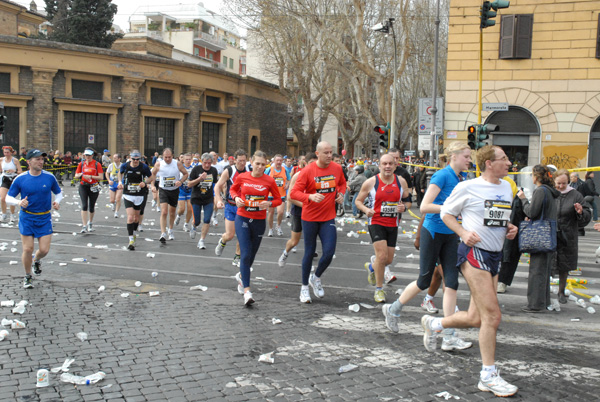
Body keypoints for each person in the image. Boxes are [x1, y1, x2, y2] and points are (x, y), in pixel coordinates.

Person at [429, 145, 518, 397]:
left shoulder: (506, 187)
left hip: (495, 255)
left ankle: (436, 323)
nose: (509, 163)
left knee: (475, 318)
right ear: (489, 163)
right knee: (492, 317)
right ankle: (488, 375)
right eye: (504, 159)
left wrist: (510, 227)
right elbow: (446, 212)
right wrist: (463, 232)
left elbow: (495, 217)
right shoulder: (467, 187)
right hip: (473, 254)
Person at [382, 142, 472, 351]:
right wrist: (451, 209)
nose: (469, 160)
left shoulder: (462, 178)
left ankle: (448, 335)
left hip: (451, 233)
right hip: (433, 232)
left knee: (452, 283)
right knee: (424, 280)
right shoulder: (442, 176)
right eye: (466, 157)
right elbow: (425, 206)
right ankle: (393, 309)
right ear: (454, 157)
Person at [290, 141, 346, 303]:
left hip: (328, 216)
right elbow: (294, 193)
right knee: (309, 252)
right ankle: (304, 288)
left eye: (331, 152)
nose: (329, 156)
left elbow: (342, 183)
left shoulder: (336, 168)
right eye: (326, 153)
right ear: (317, 154)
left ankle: (316, 277)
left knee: (329, 252)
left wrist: (341, 194)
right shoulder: (308, 171)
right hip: (310, 218)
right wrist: (310, 196)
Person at [354, 153, 410, 303]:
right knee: (382, 256)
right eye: (384, 164)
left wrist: (403, 207)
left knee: (388, 260)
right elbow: (358, 201)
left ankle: (372, 267)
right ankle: (379, 290)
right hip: (376, 222)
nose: (387, 166)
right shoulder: (371, 182)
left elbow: (408, 202)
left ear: (395, 166)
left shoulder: (401, 182)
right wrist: (366, 210)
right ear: (379, 166)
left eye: (390, 164)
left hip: (393, 223)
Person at [229, 150, 282, 306]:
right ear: (251, 163)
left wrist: (270, 203)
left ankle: (241, 276)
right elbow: (232, 190)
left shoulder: (269, 180)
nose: (259, 167)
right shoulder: (242, 177)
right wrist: (236, 197)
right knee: (245, 253)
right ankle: (247, 291)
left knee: (251, 255)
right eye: (257, 164)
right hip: (243, 217)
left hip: (259, 221)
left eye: (262, 164)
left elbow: (278, 199)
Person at [6, 149, 62, 289]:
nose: (41, 162)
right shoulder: (21, 178)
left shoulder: (49, 177)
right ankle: (27, 275)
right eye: (37, 159)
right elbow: (8, 197)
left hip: (44, 217)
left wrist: (57, 201)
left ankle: (36, 260)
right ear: (28, 161)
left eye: (42, 159)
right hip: (27, 217)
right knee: (28, 248)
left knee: (44, 250)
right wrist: (18, 202)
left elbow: (59, 192)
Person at [517, 164, 560, 312]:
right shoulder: (549, 192)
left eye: (532, 175)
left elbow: (532, 212)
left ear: (536, 177)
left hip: (540, 234)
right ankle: (543, 302)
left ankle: (535, 304)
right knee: (544, 270)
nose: (531, 177)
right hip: (549, 233)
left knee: (537, 271)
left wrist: (523, 199)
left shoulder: (540, 191)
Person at [553, 169, 591, 303]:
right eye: (558, 183)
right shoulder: (550, 193)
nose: (561, 186)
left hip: (567, 234)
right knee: (548, 263)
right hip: (551, 233)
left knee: (564, 265)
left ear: (568, 181)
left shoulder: (575, 195)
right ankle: (544, 291)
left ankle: (561, 292)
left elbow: (586, 215)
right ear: (554, 181)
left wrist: (581, 212)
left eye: (564, 183)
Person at [278, 152, 317, 267]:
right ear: (305, 163)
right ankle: (285, 253)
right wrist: (305, 204)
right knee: (294, 241)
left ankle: (309, 264)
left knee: (312, 238)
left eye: (315, 163)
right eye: (311, 163)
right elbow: (290, 197)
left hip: (313, 212)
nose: (313, 166)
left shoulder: (319, 177)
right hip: (299, 211)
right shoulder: (297, 175)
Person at [214, 149, 250, 267]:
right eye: (239, 161)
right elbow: (217, 187)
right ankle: (222, 241)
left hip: (243, 207)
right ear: (235, 160)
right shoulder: (229, 170)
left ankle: (237, 257)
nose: (242, 163)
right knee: (229, 235)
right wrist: (219, 200)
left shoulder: (250, 170)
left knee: (242, 234)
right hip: (230, 205)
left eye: (244, 161)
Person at [149, 148, 189, 243]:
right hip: (163, 189)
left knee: (172, 212)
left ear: (172, 156)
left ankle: (170, 229)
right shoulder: (159, 164)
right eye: (165, 157)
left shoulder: (177, 163)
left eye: (169, 157)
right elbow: (153, 175)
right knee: (164, 212)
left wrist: (181, 181)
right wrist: (152, 185)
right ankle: (163, 233)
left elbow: (185, 174)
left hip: (174, 190)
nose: (167, 159)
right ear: (163, 157)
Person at [118, 150, 152, 250]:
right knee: (130, 217)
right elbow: (120, 173)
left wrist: (145, 183)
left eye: (138, 159)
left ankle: (134, 232)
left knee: (136, 218)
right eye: (134, 159)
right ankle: (130, 240)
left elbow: (151, 177)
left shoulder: (144, 167)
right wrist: (120, 181)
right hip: (128, 194)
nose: (136, 161)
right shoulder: (125, 166)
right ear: (130, 158)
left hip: (139, 194)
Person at [187, 153, 218, 249]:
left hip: (208, 199)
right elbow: (189, 184)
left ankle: (202, 240)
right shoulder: (196, 169)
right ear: (202, 161)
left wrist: (218, 195)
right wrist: (200, 178)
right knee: (197, 221)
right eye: (205, 163)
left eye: (209, 163)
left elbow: (216, 184)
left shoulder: (214, 170)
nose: (207, 165)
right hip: (196, 198)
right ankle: (194, 226)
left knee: (207, 219)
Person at [74, 148, 103, 233]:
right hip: (83, 185)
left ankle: (90, 222)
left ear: (92, 155)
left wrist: (90, 176)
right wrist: (81, 174)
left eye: (89, 155)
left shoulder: (97, 164)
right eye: (86, 155)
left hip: (93, 186)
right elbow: (76, 175)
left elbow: (101, 177)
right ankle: (84, 225)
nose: (88, 157)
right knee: (84, 205)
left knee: (91, 206)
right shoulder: (81, 164)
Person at [265, 154, 290, 237]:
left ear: (282, 161)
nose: (279, 162)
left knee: (280, 212)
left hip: (281, 195)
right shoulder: (269, 169)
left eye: (280, 160)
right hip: (270, 195)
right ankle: (270, 229)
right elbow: (263, 178)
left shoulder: (285, 169)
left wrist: (287, 185)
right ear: (274, 161)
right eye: (277, 160)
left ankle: (278, 226)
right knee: (271, 213)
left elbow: (289, 179)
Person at [0, 146, 23, 223]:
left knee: (11, 198)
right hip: (5, 179)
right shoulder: (1, 160)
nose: (6, 154)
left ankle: (12, 215)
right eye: (5, 152)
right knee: (3, 198)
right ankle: (3, 214)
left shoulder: (15, 160)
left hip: (13, 179)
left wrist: (14, 171)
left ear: (11, 152)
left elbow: (20, 171)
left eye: (7, 152)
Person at [174, 153, 194, 232]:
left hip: (190, 190)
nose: (188, 161)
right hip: (181, 190)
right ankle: (178, 216)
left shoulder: (193, 169)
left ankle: (186, 224)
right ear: (183, 160)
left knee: (190, 208)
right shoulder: (179, 168)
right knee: (182, 209)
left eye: (189, 159)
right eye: (186, 159)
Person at [105, 153, 123, 218]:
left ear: (119, 158)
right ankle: (113, 203)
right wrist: (109, 180)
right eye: (113, 158)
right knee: (112, 200)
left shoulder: (122, 166)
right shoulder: (111, 165)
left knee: (118, 198)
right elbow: (107, 173)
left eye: (115, 158)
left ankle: (116, 212)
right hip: (112, 184)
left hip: (119, 184)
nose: (113, 159)